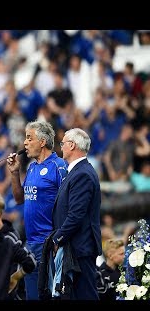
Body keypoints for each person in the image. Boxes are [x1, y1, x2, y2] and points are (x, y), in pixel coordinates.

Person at [6, 120, 67, 300]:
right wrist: (14, 173)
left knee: (53, 295)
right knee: (32, 296)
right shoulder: (32, 167)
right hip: (31, 243)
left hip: (51, 243)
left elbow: (68, 205)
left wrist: (60, 239)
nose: (25, 143)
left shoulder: (59, 166)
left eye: (29, 138)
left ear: (42, 142)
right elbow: (19, 199)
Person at [52, 128, 102, 300]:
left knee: (85, 295)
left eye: (63, 143)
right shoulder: (76, 172)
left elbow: (76, 215)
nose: (61, 147)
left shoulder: (82, 174)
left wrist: (57, 238)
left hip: (80, 247)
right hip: (75, 246)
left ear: (72, 145)